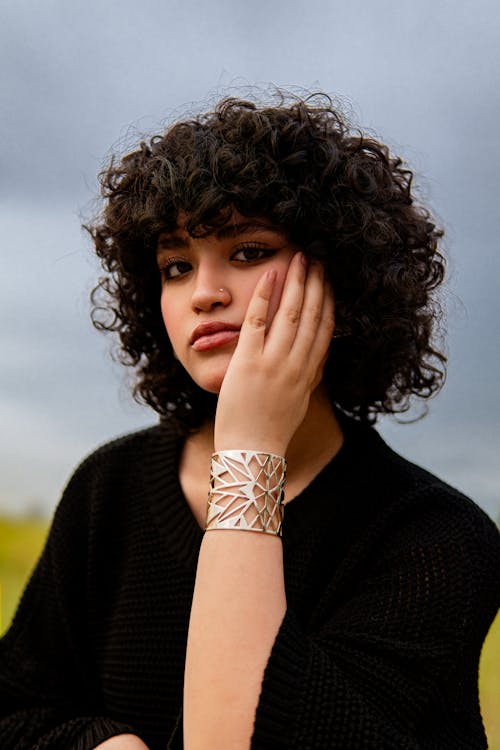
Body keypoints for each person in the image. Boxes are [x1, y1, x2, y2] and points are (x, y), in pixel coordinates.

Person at [1, 92, 499, 750]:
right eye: (176, 267)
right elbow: (17, 708)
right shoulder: (109, 487)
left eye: (246, 251)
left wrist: (250, 447)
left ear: (341, 276)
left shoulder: (435, 538)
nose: (204, 291)